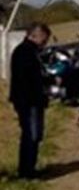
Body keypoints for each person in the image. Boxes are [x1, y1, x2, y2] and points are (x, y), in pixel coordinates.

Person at [9, 22, 51, 178]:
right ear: (35, 35)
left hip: (32, 100)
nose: (45, 42)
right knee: (31, 135)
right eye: (44, 39)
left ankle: (30, 167)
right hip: (28, 101)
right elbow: (26, 79)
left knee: (35, 135)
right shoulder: (24, 52)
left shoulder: (31, 51)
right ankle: (26, 171)